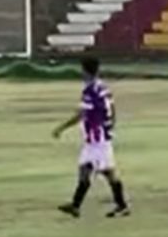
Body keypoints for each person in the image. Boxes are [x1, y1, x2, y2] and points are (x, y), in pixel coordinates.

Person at [52, 57, 130, 219]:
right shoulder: (104, 88)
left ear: (84, 71)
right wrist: (110, 126)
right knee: (99, 170)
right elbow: (113, 109)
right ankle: (79, 205)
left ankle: (79, 205)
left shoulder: (90, 91)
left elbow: (82, 114)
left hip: (96, 138)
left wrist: (61, 128)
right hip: (101, 136)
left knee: (95, 170)